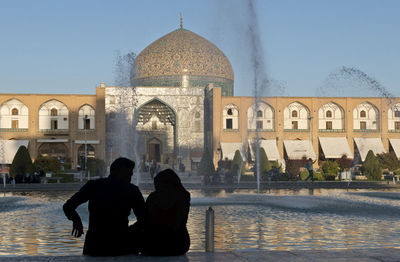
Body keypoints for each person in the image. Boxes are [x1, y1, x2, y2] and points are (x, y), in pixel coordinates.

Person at [63, 157, 146, 256]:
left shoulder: (93, 185)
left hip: (94, 244)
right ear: (121, 171)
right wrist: (128, 231)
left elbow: (68, 206)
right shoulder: (132, 190)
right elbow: (144, 219)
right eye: (129, 173)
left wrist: (77, 221)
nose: (131, 176)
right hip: (120, 244)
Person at [142, 169, 190, 256]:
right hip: (179, 243)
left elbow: (146, 220)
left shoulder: (153, 197)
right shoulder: (184, 196)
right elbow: (180, 222)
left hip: (155, 244)